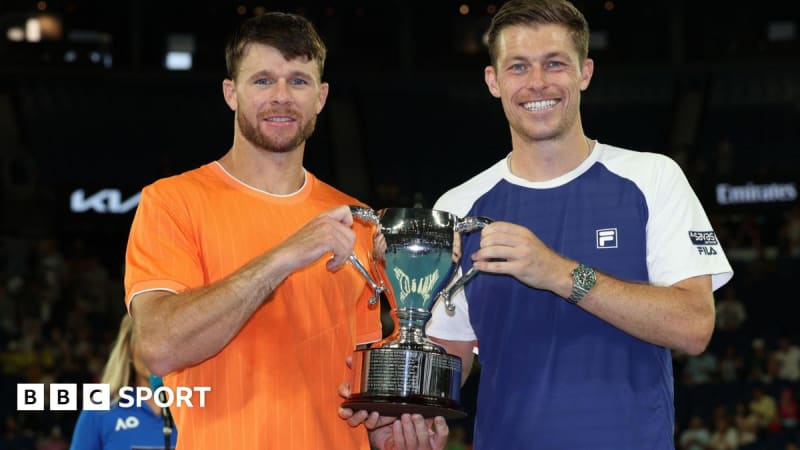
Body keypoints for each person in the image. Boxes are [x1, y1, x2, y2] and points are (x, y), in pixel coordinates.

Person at [123, 11, 447, 450]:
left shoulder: (359, 221)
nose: (281, 97)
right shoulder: (172, 201)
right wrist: (282, 256)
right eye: (262, 81)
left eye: (298, 81)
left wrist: (385, 425)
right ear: (230, 93)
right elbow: (157, 347)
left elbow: (355, 385)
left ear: (321, 96)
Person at [425, 0, 733, 448]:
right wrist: (411, 412)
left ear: (584, 73)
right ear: (493, 81)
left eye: (555, 64)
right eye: (518, 67)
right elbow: (450, 352)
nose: (536, 83)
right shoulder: (458, 206)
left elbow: (694, 325)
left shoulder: (652, 178)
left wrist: (559, 274)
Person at [69, 315, 178, 450]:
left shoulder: (194, 405)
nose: (155, 353)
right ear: (129, 350)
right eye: (147, 340)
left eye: (164, 340)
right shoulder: (101, 409)